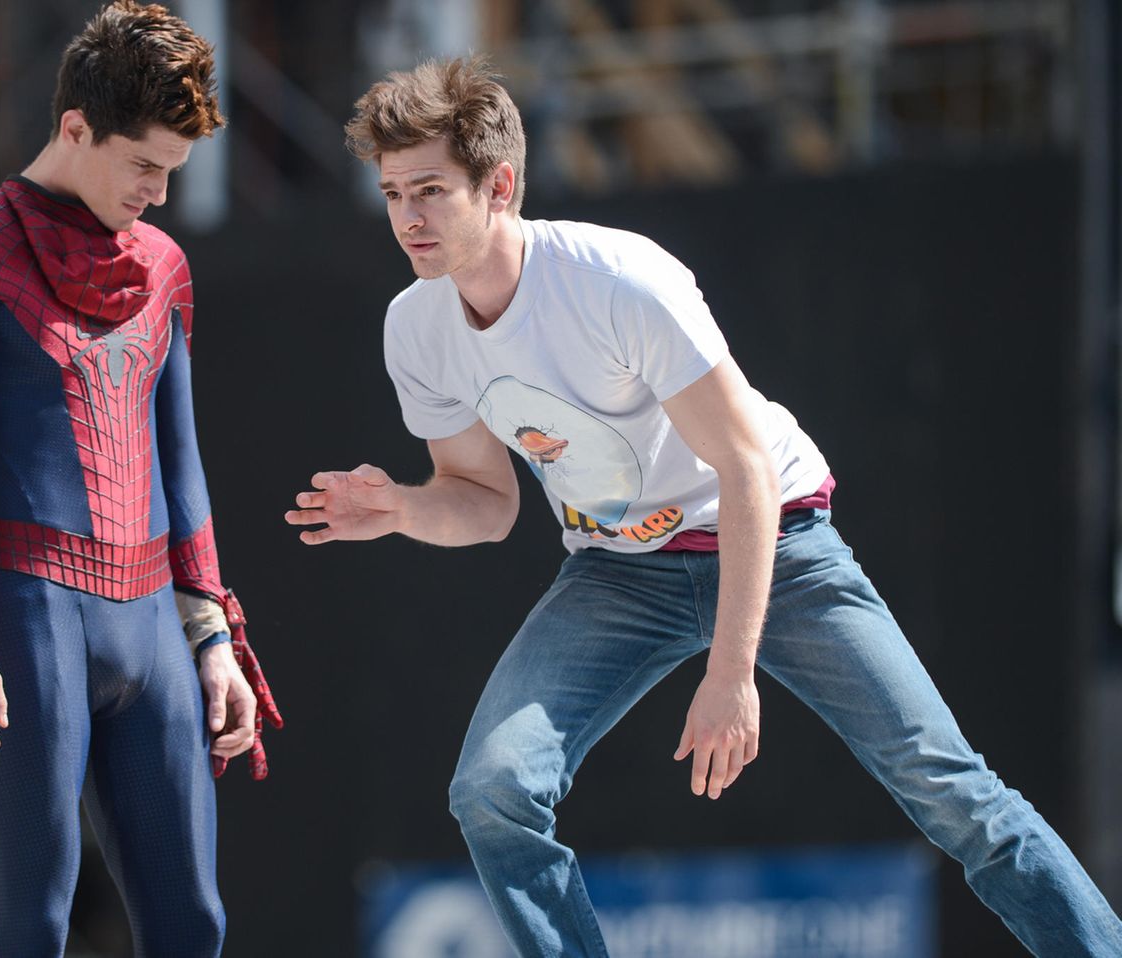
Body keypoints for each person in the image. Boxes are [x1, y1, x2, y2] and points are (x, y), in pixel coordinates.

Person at [284, 57, 1122, 957]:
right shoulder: (416, 327)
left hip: (776, 543)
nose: (407, 218)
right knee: (492, 789)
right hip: (618, 572)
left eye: (431, 191)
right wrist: (405, 508)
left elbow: (746, 468)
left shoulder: (617, 281)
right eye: (392, 194)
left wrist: (731, 674)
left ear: (501, 186)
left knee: (950, 790)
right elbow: (485, 504)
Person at [0, 4, 281, 954]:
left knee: (195, 921)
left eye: (173, 172)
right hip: (27, 615)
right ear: (73, 128)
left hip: (152, 628)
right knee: (31, 920)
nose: (159, 194)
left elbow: (182, 473)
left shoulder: (166, 268)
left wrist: (214, 640)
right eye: (145, 165)